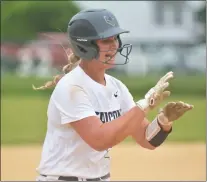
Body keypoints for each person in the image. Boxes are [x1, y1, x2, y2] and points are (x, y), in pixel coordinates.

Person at [34, 9, 193, 181]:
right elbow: (100, 140)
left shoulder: (117, 87)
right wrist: (145, 104)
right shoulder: (72, 87)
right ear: (85, 46)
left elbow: (147, 139)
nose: (115, 45)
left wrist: (164, 121)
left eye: (115, 38)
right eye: (106, 40)